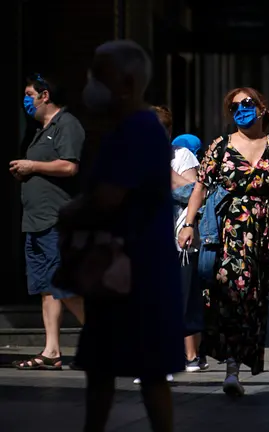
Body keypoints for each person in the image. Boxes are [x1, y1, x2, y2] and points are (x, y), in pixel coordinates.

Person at [67, 40, 183, 432]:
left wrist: (70, 212)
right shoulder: (130, 128)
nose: (92, 84)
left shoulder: (137, 129)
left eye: (101, 75)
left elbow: (107, 198)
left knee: (142, 373)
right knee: (104, 370)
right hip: (123, 274)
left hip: (135, 275)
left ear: (128, 81)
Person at [178, 87, 269, 396]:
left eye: (247, 104)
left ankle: (239, 360)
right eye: (234, 107)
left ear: (260, 107)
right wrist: (189, 223)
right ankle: (232, 367)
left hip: (264, 236)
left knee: (255, 301)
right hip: (229, 234)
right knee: (234, 293)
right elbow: (200, 188)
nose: (241, 110)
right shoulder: (220, 147)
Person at [12, 73, 86, 371]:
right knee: (47, 288)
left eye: (30, 94)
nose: (26, 100)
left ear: (45, 95)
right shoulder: (39, 130)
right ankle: (51, 351)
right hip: (35, 221)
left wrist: (32, 165)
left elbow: (69, 166)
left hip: (57, 220)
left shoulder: (67, 124)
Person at [153, 106, 207, 375]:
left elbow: (192, 191)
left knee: (183, 300)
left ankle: (191, 355)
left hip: (179, 240)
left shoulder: (181, 155)